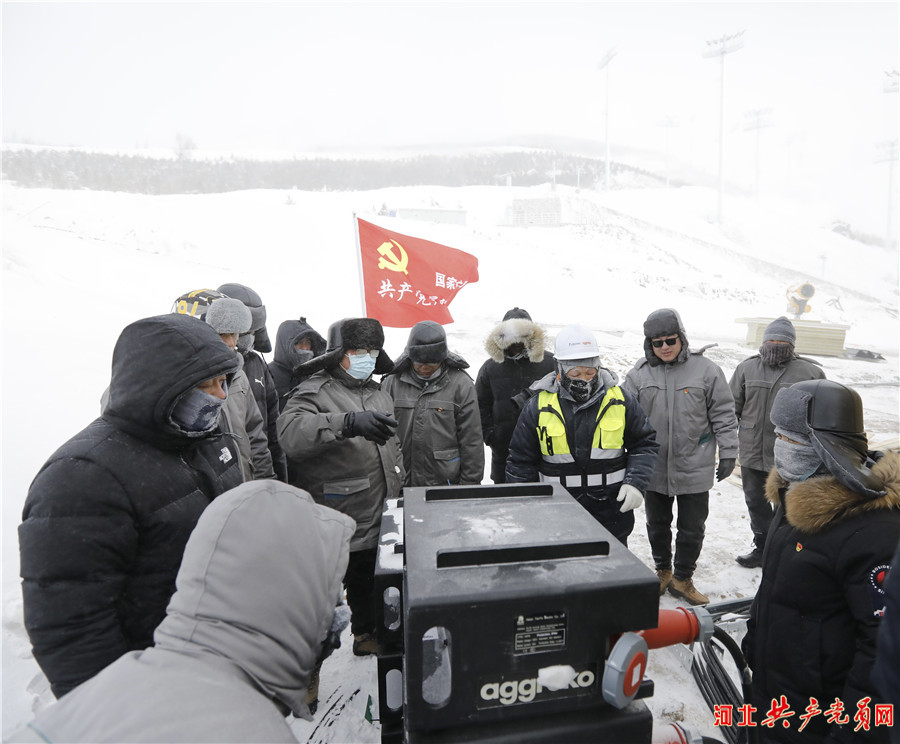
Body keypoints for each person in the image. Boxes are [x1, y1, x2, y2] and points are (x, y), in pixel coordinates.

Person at [9, 480, 356, 743]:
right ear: (292, 601)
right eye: (328, 597)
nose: (335, 620)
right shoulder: (249, 729)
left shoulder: (114, 686)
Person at [18, 313, 243, 698]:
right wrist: (122, 714)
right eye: (205, 383)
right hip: (157, 687)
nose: (220, 395)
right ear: (158, 385)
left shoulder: (208, 440)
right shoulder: (82, 476)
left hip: (219, 663)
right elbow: (73, 630)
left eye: (223, 381)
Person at [742, 379, 899, 743]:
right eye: (777, 435)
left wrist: (852, 734)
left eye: (791, 439)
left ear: (827, 448)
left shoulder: (874, 533)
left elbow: (881, 651)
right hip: (776, 697)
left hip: (819, 720)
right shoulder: (795, 498)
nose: (780, 448)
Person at [277, 317, 404, 657]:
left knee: (369, 581)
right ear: (338, 353)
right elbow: (291, 433)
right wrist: (345, 423)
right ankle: (303, 670)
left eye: (373, 350)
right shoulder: (315, 390)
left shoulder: (379, 392)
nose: (367, 357)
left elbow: (391, 446)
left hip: (380, 507)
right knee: (322, 595)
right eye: (357, 350)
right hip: (338, 512)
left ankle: (366, 635)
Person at [623, 308, 738, 605]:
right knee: (657, 524)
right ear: (649, 344)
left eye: (670, 340)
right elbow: (622, 417)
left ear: (681, 338)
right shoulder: (638, 374)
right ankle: (663, 571)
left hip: (694, 465)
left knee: (692, 527)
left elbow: (724, 415)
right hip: (655, 467)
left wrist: (728, 453)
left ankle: (683, 579)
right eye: (657, 342)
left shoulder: (707, 371)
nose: (664, 347)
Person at [505, 324, 658, 545]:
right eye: (575, 373)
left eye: (590, 372)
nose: (583, 379)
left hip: (611, 514)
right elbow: (520, 461)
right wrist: (528, 504)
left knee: (612, 575)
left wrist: (636, 482)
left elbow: (644, 444)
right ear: (559, 371)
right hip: (556, 514)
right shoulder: (538, 406)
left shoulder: (620, 400)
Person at [729, 316, 825, 568]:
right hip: (751, 449)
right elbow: (731, 409)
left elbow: (820, 416)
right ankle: (762, 547)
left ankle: (786, 550)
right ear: (762, 342)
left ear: (792, 344)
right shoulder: (746, 368)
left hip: (792, 455)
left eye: (781, 341)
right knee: (755, 501)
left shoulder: (811, 372)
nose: (775, 345)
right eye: (771, 340)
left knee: (789, 505)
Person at [382, 320, 484, 486]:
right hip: (402, 479)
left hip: (445, 481)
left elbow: (471, 440)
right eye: (419, 362)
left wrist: (469, 485)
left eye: (431, 363)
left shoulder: (461, 384)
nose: (424, 367)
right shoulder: (392, 382)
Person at [475, 307, 556, 483]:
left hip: (546, 451)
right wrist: (490, 435)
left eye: (523, 336)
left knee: (544, 501)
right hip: (504, 451)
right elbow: (479, 405)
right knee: (505, 503)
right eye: (512, 336)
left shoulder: (551, 363)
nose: (517, 342)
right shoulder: (490, 367)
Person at [204, 296, 276, 481]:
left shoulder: (239, 376)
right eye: (222, 334)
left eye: (234, 334)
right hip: (214, 493)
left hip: (247, 485)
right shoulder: (191, 380)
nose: (230, 342)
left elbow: (255, 435)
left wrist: (266, 483)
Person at [270, 316, 327, 410]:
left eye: (307, 342)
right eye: (299, 343)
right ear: (285, 345)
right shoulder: (267, 374)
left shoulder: (318, 374)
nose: (304, 348)